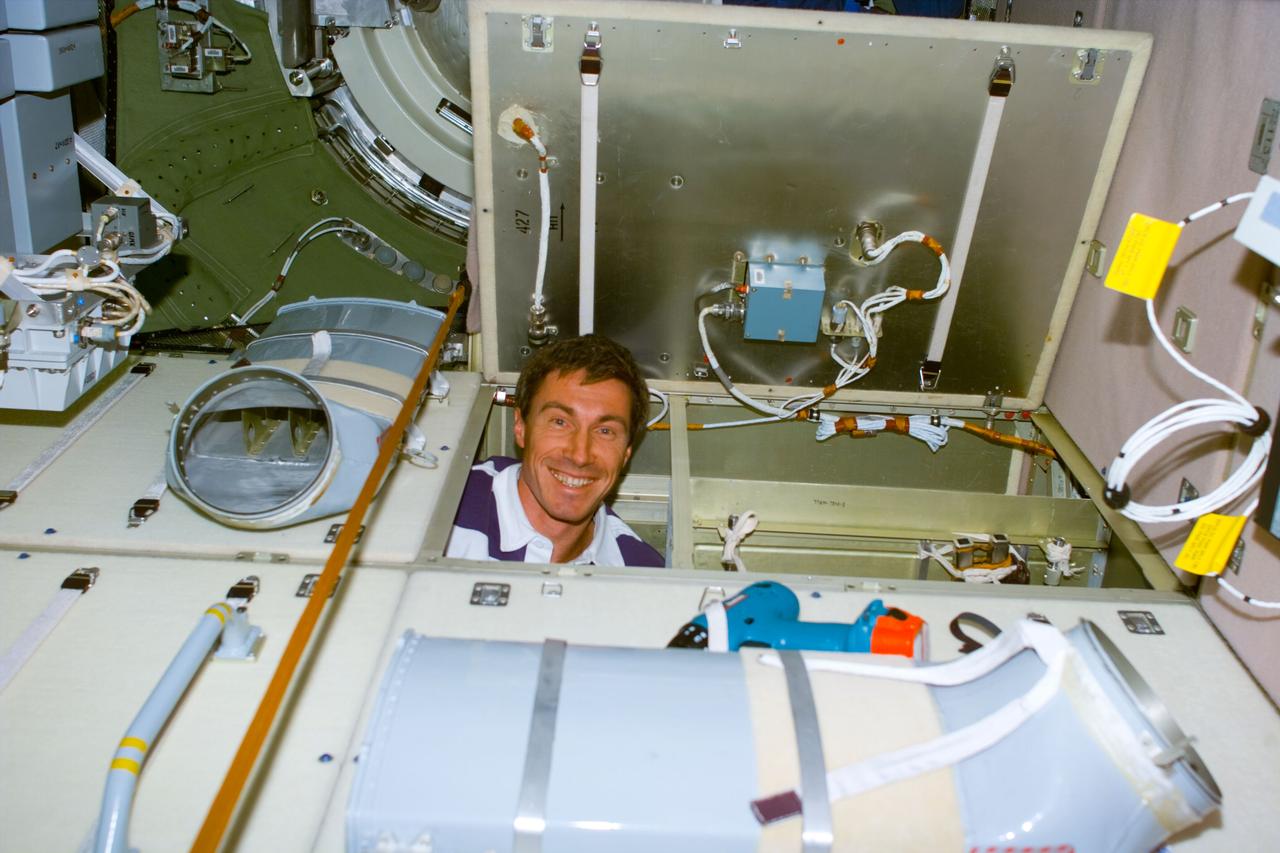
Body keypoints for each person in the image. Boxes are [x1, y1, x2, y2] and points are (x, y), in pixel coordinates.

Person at [445, 335, 665, 567]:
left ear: (626, 454)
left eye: (605, 431)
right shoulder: (443, 507)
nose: (580, 455)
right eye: (560, 422)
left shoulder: (640, 571)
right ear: (520, 427)